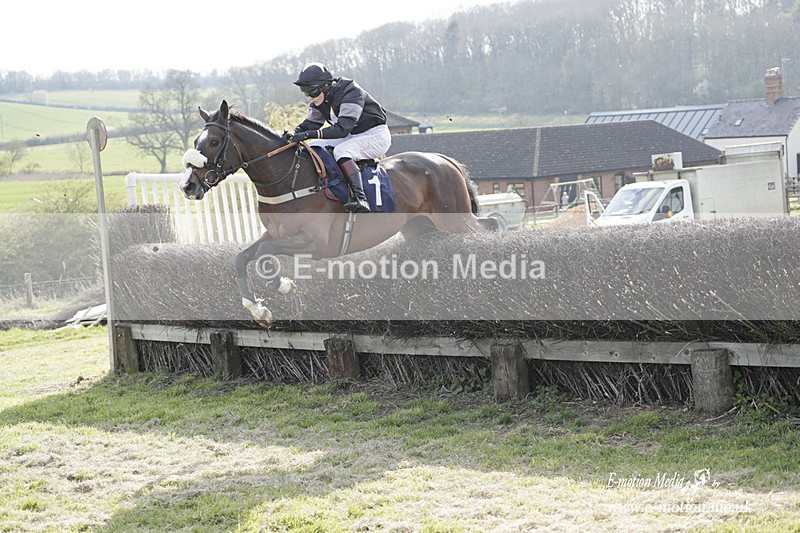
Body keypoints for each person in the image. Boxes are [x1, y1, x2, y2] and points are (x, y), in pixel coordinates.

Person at [289, 63, 391, 213]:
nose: (310, 98)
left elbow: (343, 128)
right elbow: (311, 124)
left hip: (375, 135)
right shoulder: (319, 99)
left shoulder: (351, 91)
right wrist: (294, 133)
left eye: (312, 92)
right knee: (313, 146)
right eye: (306, 93)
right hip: (352, 136)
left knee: (342, 151)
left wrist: (308, 134)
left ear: (325, 86)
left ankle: (360, 199)